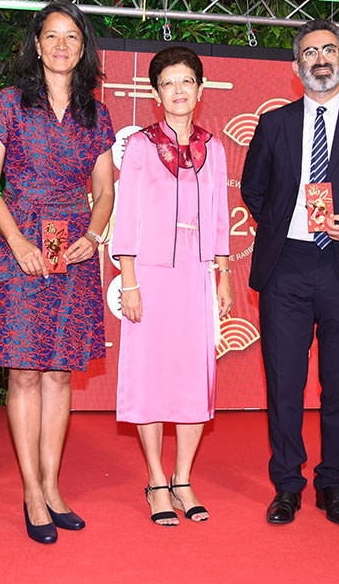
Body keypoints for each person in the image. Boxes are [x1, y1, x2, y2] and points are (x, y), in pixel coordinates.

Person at [0, 0, 115, 544]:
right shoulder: (9, 103)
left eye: (72, 38)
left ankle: (54, 485)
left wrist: (94, 234)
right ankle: (31, 489)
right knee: (24, 371)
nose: (61, 45)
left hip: (73, 254)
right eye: (51, 36)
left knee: (60, 372)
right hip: (19, 247)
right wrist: (16, 241)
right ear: (36, 44)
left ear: (84, 50)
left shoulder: (95, 115)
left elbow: (104, 190)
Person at [241, 20, 339, 527]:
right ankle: (287, 485)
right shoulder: (275, 124)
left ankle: (332, 484)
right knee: (284, 382)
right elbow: (253, 189)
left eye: (330, 50)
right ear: (296, 67)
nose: (320, 59)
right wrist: (283, 225)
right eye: (310, 52)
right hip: (286, 268)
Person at [111, 46, 233, 526]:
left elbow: (221, 219)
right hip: (153, 275)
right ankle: (157, 480)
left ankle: (183, 479)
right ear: (156, 93)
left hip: (197, 275)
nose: (178, 91)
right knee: (150, 376)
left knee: (191, 377)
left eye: (187, 82)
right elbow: (127, 218)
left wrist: (223, 275)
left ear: (200, 91)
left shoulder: (215, 148)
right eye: (168, 83)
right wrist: (130, 280)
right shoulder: (141, 146)